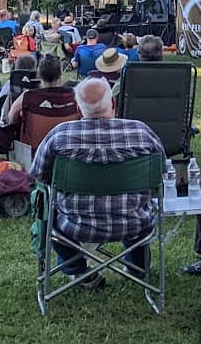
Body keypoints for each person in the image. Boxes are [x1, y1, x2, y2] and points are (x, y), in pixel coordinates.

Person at [30, 77, 164, 287]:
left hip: (75, 225)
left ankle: (78, 271)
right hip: (135, 222)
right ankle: (138, 268)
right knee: (135, 202)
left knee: (48, 208)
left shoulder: (59, 136)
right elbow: (160, 174)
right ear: (113, 104)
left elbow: (38, 174)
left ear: (77, 108)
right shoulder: (142, 133)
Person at [4, 56, 74, 134]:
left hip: (33, 143)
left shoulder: (28, 96)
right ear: (60, 74)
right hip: (63, 142)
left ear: (38, 74)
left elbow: (11, 118)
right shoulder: (72, 96)